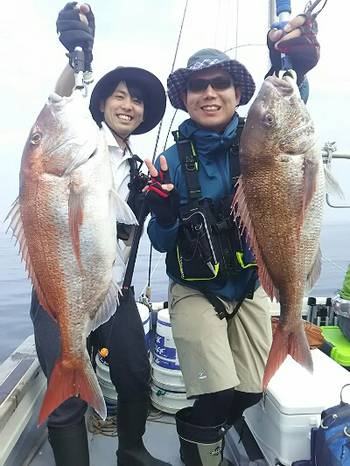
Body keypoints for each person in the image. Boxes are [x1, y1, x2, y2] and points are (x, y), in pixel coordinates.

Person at [144, 13, 320, 466]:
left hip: (248, 286)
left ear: (238, 94)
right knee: (215, 392)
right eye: (197, 86)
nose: (209, 93)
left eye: (219, 83)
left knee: (251, 389)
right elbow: (162, 242)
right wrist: (161, 213)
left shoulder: (259, 135)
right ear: (184, 99)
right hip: (194, 290)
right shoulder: (169, 160)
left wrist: (293, 67)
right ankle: (199, 452)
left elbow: (285, 113)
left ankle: (211, 430)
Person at [29, 3, 171, 466]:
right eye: (119, 96)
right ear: (102, 104)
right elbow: (57, 104)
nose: (128, 105)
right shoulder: (78, 142)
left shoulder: (143, 167)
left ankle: (131, 449)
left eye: (137, 101)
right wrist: (75, 58)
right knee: (66, 392)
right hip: (62, 288)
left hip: (115, 288)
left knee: (134, 375)